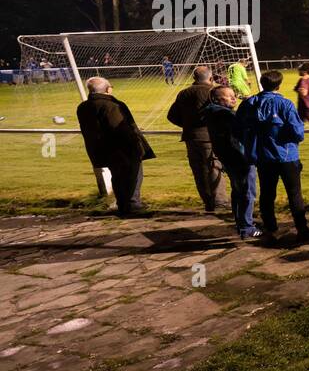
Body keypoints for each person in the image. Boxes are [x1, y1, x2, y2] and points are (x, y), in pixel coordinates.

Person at [236, 69, 309, 244]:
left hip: (262, 157)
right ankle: (302, 229)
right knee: (294, 194)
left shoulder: (249, 103)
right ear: (279, 85)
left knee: (267, 194)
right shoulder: (285, 104)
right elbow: (298, 132)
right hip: (287, 156)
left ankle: (271, 228)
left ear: (262, 83)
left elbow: (238, 128)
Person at [76, 77, 154, 217]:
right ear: (107, 89)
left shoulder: (83, 107)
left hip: (102, 149)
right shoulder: (111, 105)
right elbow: (119, 128)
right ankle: (132, 206)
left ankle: (123, 205)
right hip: (121, 149)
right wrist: (134, 140)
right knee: (132, 176)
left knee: (117, 177)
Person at [166, 65, 229, 212]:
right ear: (211, 78)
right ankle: (220, 202)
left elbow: (171, 116)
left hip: (190, 137)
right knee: (214, 168)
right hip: (209, 137)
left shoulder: (183, 93)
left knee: (199, 171)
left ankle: (208, 202)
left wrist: (188, 125)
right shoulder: (211, 92)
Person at [202, 85, 260, 240]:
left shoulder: (213, 112)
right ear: (216, 99)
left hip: (228, 157)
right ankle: (247, 227)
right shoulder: (224, 115)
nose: (233, 98)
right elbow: (243, 130)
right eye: (228, 96)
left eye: (234, 95)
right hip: (238, 157)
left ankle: (241, 223)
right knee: (247, 191)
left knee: (238, 190)